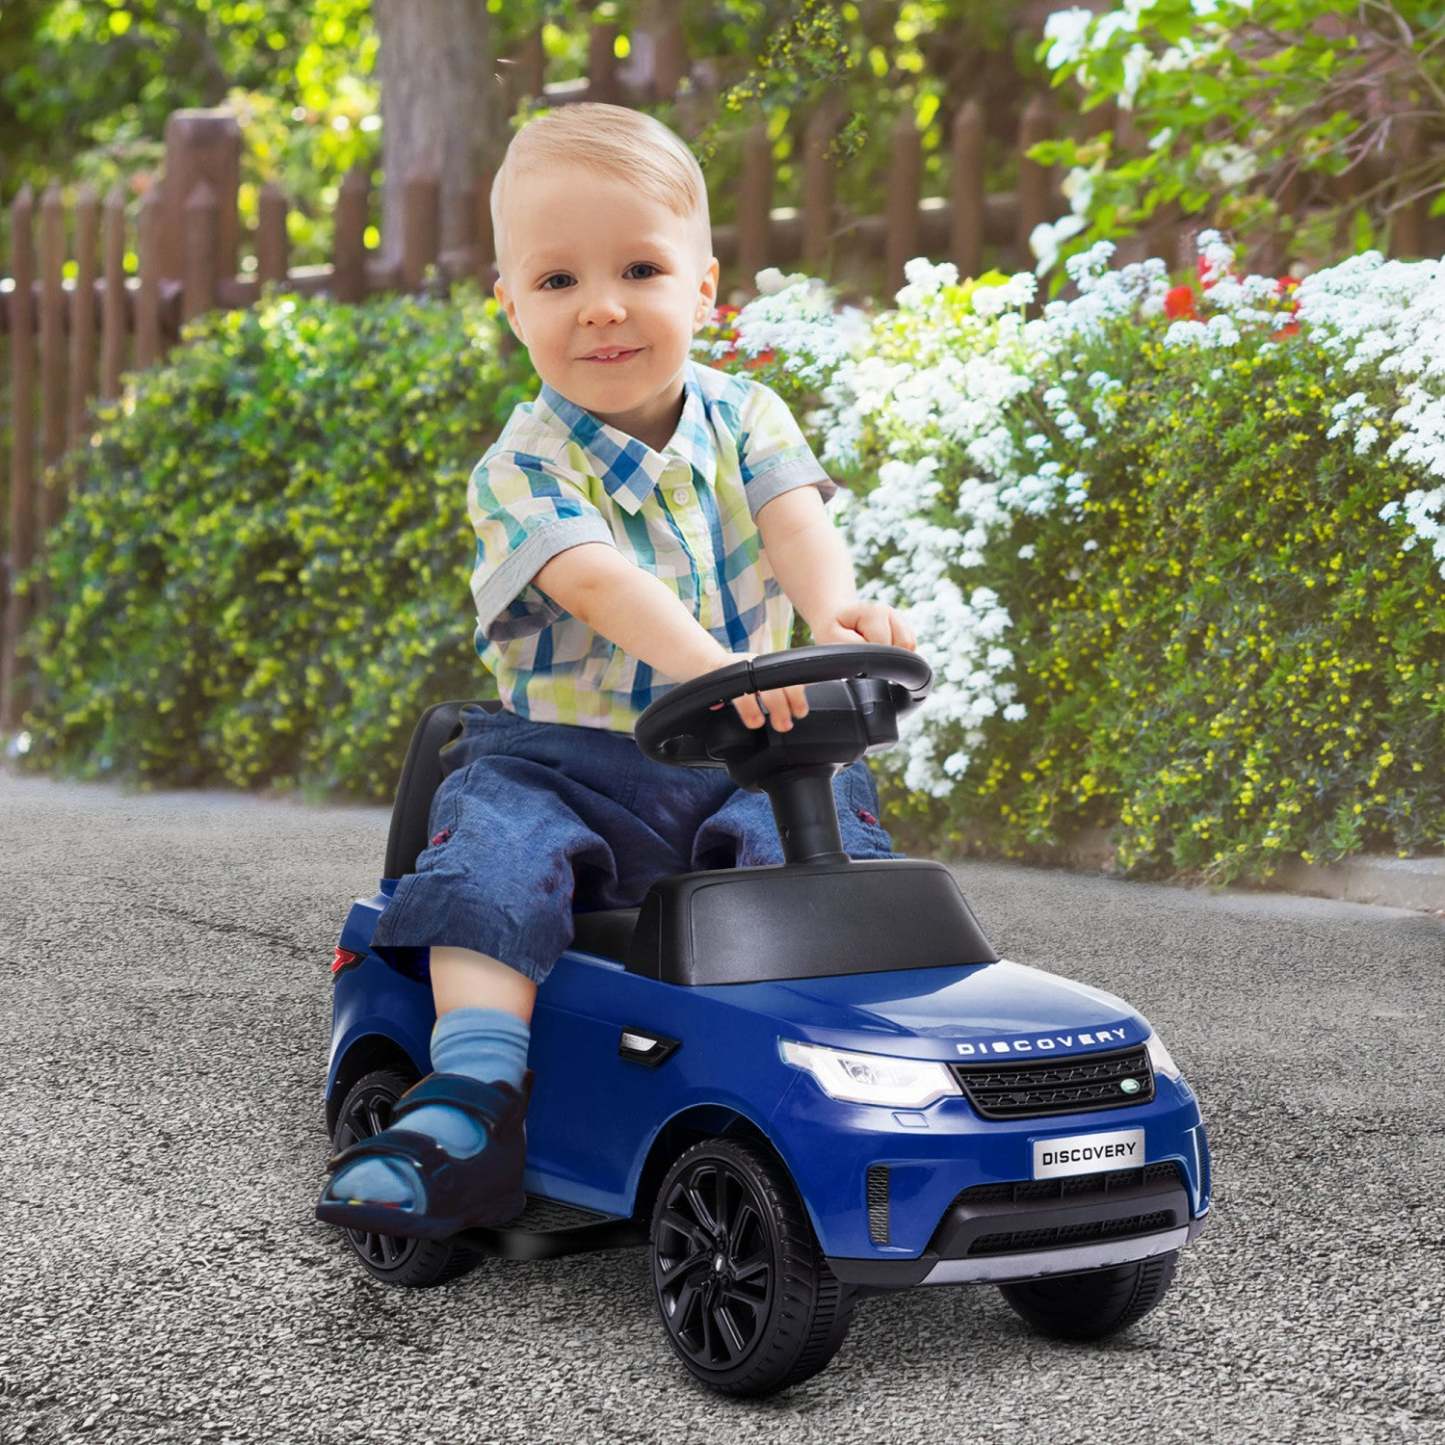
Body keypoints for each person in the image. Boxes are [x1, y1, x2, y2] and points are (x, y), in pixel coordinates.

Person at [315, 101, 916, 1239]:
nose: (601, 305)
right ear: (511, 306)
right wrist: (719, 664)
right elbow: (596, 582)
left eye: (639, 268)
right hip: (564, 762)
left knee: (822, 808)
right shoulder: (519, 468)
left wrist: (834, 610)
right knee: (493, 841)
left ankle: (842, 1041)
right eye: (558, 280)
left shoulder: (746, 415)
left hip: (741, 754)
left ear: (703, 287)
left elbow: (795, 522)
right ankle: (473, 1097)